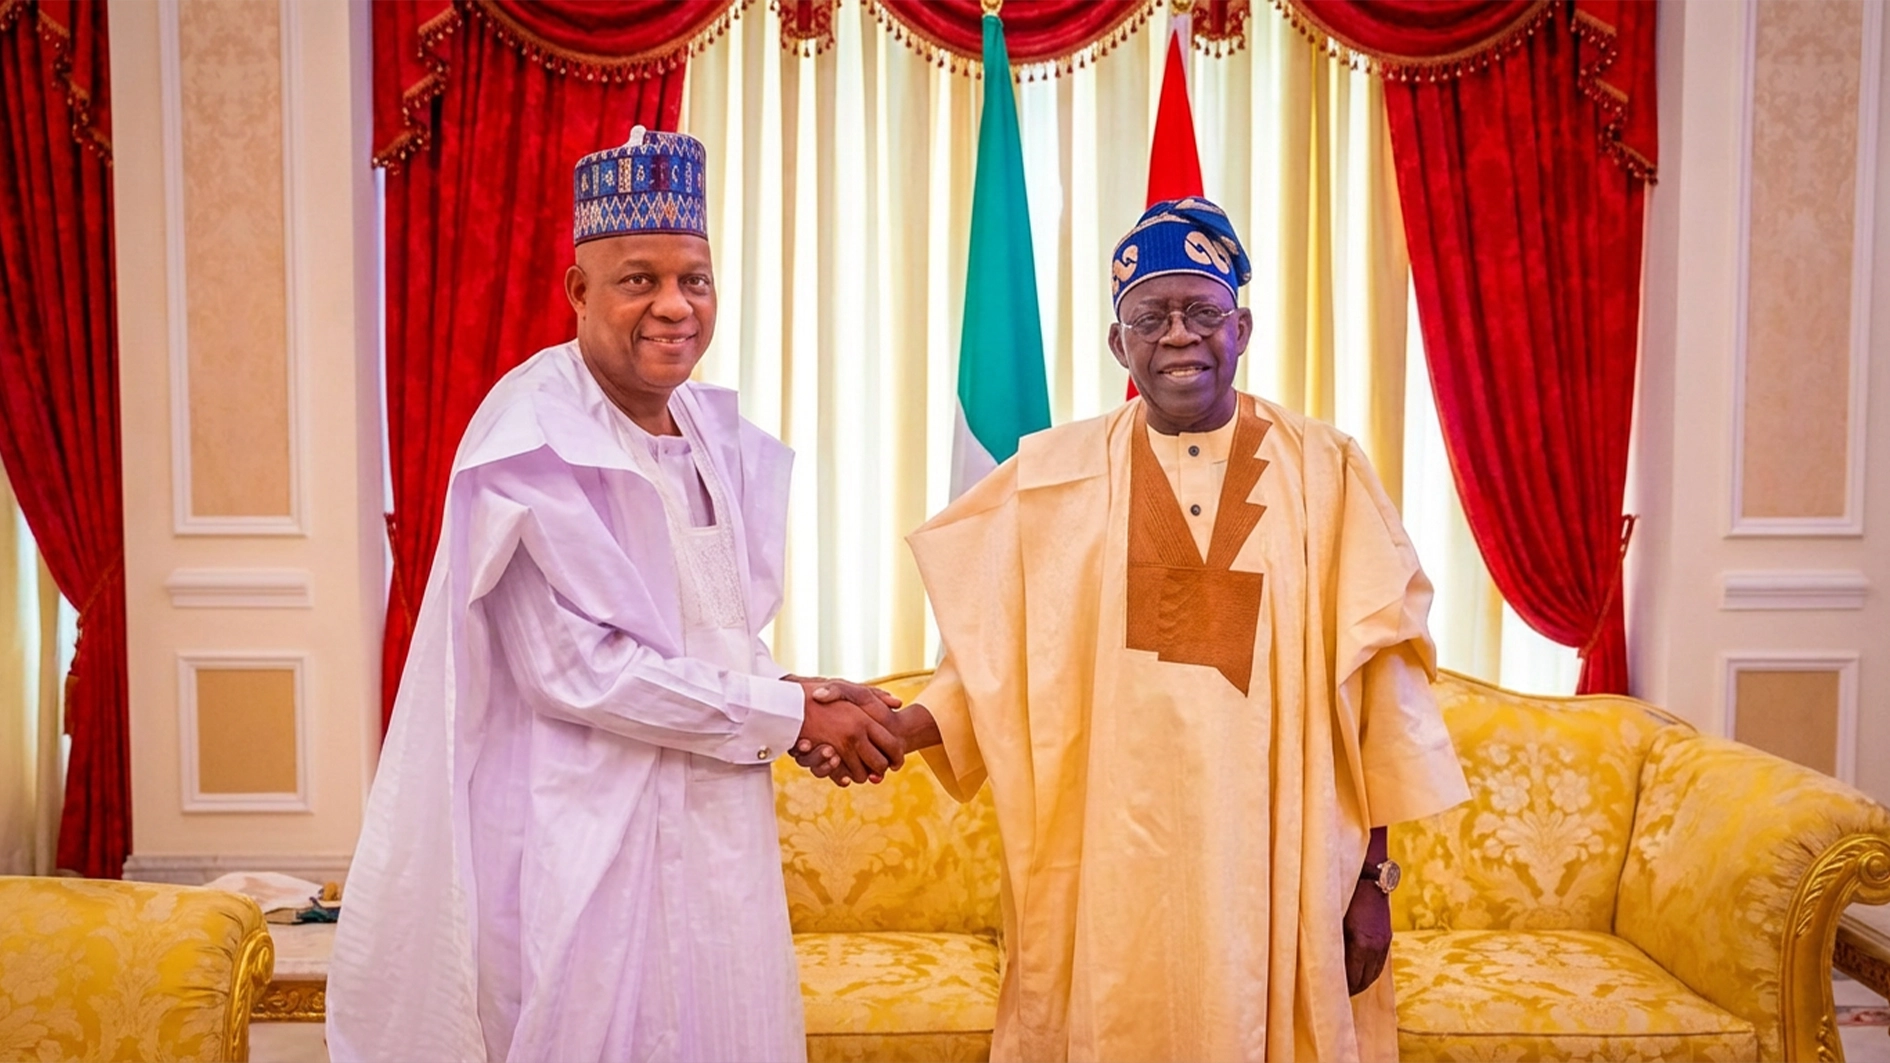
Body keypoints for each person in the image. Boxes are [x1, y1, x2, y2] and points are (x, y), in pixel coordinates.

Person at [799, 197, 1470, 1062]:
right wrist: (895, 726)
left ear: (1244, 326)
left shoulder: (1326, 471)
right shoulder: (1051, 476)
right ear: (1119, 345)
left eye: (1203, 312)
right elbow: (995, 668)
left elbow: (1378, 688)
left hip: (1282, 868)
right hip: (1108, 865)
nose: (1179, 335)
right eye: (1151, 316)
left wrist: (1373, 879)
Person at [326, 127, 904, 1063]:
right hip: (584, 834)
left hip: (717, 825)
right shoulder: (531, 436)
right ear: (578, 289)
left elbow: (699, 635)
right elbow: (578, 672)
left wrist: (803, 691)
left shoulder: (711, 432)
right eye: (640, 278)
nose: (675, 306)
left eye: (696, 279)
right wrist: (789, 713)